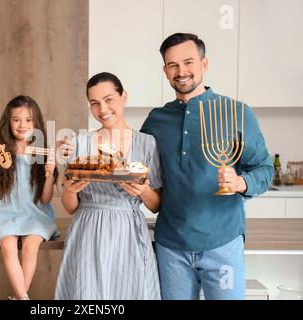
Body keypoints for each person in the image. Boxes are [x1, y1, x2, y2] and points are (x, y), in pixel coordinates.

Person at [140, 33, 274, 300]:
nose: (181, 72)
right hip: (171, 246)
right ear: (165, 71)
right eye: (172, 65)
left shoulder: (236, 112)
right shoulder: (156, 120)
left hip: (223, 243)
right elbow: (139, 170)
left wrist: (240, 182)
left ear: (204, 64)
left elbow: (265, 169)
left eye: (188, 62)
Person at [55, 72, 162, 300]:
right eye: (94, 103)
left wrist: (142, 190)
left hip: (129, 233)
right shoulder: (79, 143)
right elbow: (70, 207)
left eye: (109, 99)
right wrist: (70, 190)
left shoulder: (147, 143)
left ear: (124, 97)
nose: (102, 109)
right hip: (88, 231)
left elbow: (155, 205)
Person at [0, 95, 59, 300]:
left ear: (36, 123)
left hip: (36, 214)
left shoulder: (42, 153)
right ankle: (22, 298)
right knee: (8, 245)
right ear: (8, 122)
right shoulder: (1, 153)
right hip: (5, 213)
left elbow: (45, 200)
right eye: (16, 119)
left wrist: (50, 174)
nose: (22, 124)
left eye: (28, 120)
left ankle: (19, 298)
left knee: (30, 245)